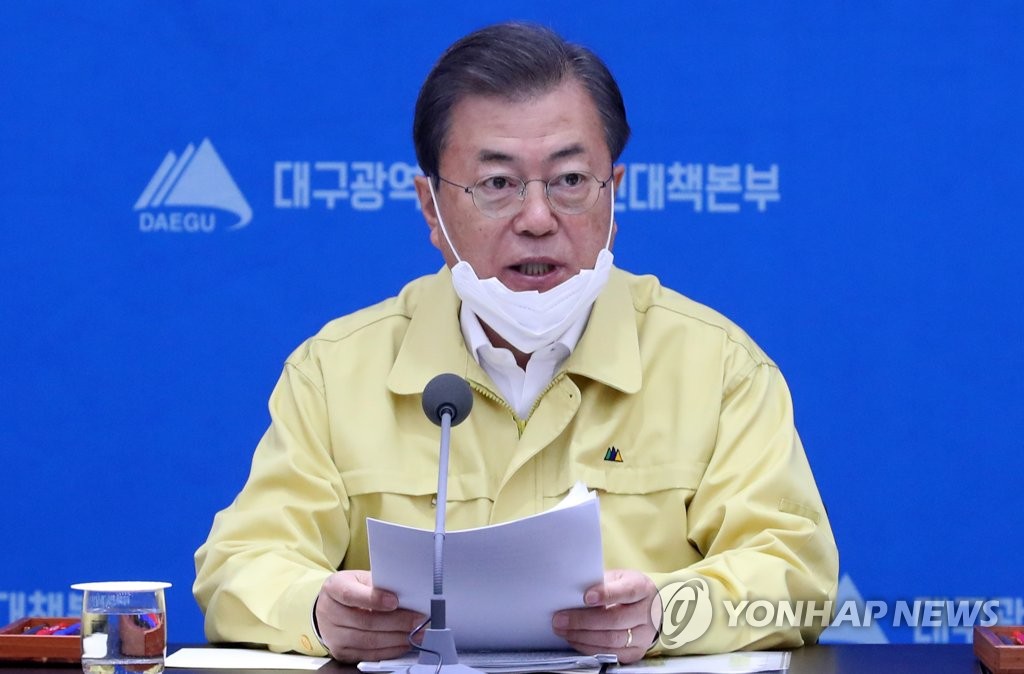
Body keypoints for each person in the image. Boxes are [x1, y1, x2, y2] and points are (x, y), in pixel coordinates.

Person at [193, 21, 839, 665]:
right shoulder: (336, 372)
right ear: (431, 208)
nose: (537, 218)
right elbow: (239, 567)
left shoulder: (716, 367)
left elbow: (798, 580)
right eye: (497, 184)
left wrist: (666, 614)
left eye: (570, 180)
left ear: (614, 195)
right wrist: (318, 611)